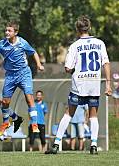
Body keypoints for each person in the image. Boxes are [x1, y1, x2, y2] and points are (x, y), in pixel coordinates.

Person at [45, 15, 112, 155]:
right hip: (94, 83)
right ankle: (93, 145)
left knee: (68, 114)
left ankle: (56, 144)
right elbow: (106, 63)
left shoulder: (75, 46)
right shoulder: (100, 43)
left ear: (77, 29)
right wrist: (108, 84)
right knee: (93, 115)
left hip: (79, 84)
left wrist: (73, 68)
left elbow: (68, 68)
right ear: (90, 27)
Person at [0, 21, 44, 135]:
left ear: (15, 32)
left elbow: (33, 52)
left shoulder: (22, 42)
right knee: (5, 102)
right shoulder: (2, 44)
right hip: (10, 75)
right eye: (6, 30)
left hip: (24, 73)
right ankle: (6, 122)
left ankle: (34, 123)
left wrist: (39, 64)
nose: (6, 32)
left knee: (29, 97)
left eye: (9, 30)